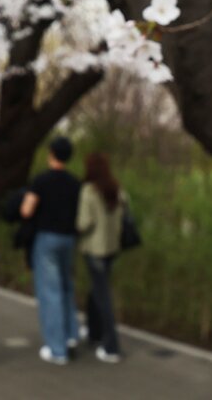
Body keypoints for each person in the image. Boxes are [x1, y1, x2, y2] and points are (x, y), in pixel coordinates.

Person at [20, 136, 81, 365]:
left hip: (47, 239)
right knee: (66, 288)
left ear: (51, 154)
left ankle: (57, 349)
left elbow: (27, 210)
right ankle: (71, 335)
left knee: (50, 292)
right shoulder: (76, 183)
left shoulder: (41, 180)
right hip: (69, 239)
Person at [77, 152, 127, 362]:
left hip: (94, 249)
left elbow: (83, 223)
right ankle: (93, 331)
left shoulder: (89, 191)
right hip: (111, 249)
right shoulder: (117, 189)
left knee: (102, 295)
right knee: (96, 289)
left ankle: (111, 346)